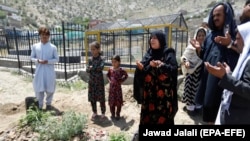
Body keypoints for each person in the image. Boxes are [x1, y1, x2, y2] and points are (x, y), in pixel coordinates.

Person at [191, 2, 239, 124]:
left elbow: (242, 52)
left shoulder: (235, 33)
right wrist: (198, 49)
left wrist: (230, 43)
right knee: (209, 111)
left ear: (226, 16)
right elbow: (205, 56)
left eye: (219, 15)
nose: (215, 18)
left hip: (226, 82)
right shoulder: (210, 36)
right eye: (213, 16)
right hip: (209, 80)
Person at [205, 21, 250, 124]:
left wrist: (225, 77)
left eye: (238, 39)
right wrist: (229, 74)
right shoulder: (244, 57)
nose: (234, 42)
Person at [133, 30, 178, 125]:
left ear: (161, 40)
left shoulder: (168, 53)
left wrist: (161, 65)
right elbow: (144, 73)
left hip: (163, 97)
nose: (152, 40)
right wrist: (141, 69)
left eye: (155, 38)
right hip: (149, 96)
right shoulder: (149, 54)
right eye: (151, 38)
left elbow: (173, 70)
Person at [30, 26, 59, 110]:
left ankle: (48, 104)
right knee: (39, 88)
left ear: (49, 36)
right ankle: (39, 105)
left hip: (49, 71)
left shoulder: (53, 47)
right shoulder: (35, 46)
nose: (44, 36)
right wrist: (38, 60)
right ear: (40, 35)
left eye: (46, 35)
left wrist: (48, 61)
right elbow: (31, 58)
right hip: (39, 71)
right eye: (42, 34)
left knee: (50, 88)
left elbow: (56, 59)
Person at [180, 27, 207, 115]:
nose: (201, 37)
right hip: (191, 73)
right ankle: (190, 108)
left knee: (199, 90)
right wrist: (186, 61)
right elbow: (184, 56)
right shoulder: (191, 47)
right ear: (196, 36)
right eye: (199, 35)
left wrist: (199, 50)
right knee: (190, 90)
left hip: (202, 73)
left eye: (203, 35)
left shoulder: (207, 47)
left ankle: (198, 106)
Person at [86, 41, 106, 120]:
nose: (92, 51)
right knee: (92, 98)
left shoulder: (102, 59)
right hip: (92, 81)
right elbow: (87, 69)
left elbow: (100, 68)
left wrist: (92, 68)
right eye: (91, 49)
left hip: (99, 82)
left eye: (94, 49)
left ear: (98, 49)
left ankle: (103, 113)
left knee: (101, 98)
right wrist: (91, 68)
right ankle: (94, 112)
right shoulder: (90, 59)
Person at [106, 55, 128, 120]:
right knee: (111, 103)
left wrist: (121, 81)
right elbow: (107, 75)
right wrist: (109, 81)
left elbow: (126, 75)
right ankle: (112, 114)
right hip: (112, 90)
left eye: (115, 62)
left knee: (118, 102)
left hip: (118, 89)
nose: (113, 63)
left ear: (119, 62)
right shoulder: (110, 69)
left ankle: (117, 114)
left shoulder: (121, 70)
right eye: (112, 62)